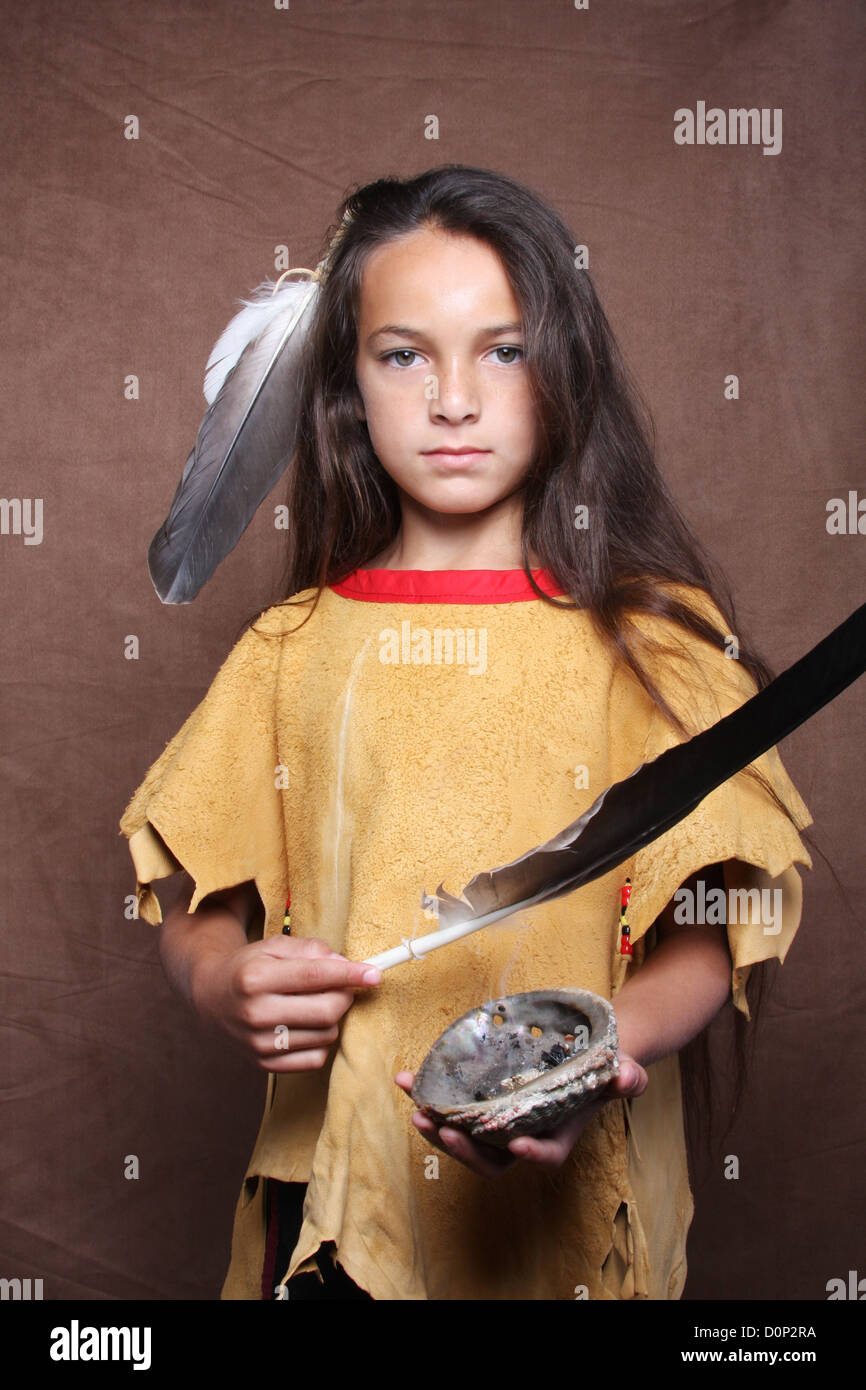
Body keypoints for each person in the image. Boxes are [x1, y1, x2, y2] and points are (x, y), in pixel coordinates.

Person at [119, 165, 812, 1301]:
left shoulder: (658, 644)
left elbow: (703, 926)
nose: (453, 398)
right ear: (345, 383)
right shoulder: (291, 649)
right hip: (339, 1204)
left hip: (570, 1220)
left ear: (565, 369)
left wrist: (585, 1061)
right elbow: (204, 915)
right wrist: (223, 980)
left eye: (503, 349)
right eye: (403, 354)